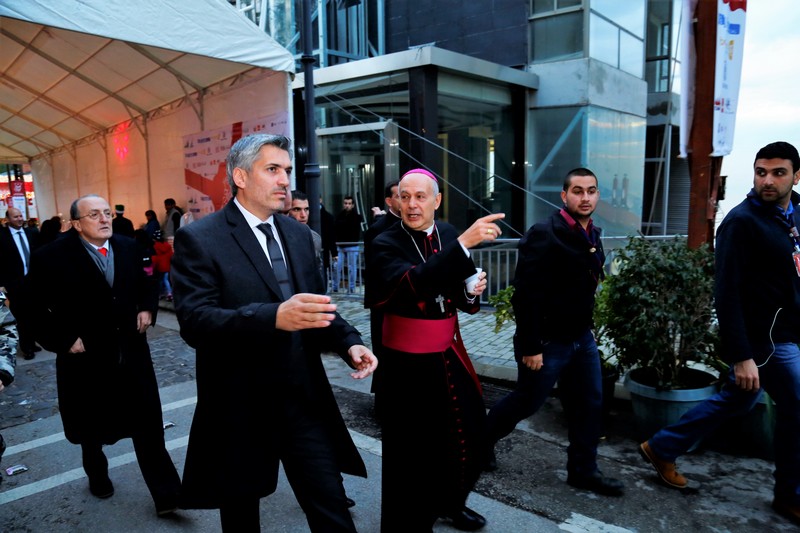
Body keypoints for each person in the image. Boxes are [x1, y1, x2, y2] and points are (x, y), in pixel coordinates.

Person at [170, 133, 377, 532]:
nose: (284, 180)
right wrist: (272, 317)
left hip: (302, 400)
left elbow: (317, 307)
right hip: (240, 405)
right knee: (242, 516)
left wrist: (349, 342)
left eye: (286, 170)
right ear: (241, 177)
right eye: (273, 170)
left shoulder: (299, 235)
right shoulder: (200, 238)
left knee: (332, 509)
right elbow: (195, 321)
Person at [638, 141, 800, 525]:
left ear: (796, 175)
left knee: (738, 399)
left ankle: (662, 447)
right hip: (766, 341)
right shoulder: (741, 222)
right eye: (761, 172)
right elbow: (725, 293)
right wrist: (742, 355)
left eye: (778, 173)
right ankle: (790, 495)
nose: (767, 181)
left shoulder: (797, 213)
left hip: (789, 329)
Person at [25, 194, 182, 516]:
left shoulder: (129, 246)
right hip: (85, 357)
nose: (104, 219)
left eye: (107, 213)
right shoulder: (51, 256)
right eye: (94, 215)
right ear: (76, 224)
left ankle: (168, 496)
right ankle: (96, 473)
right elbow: (31, 307)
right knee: (90, 426)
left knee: (148, 425)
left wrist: (147, 308)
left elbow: (148, 281)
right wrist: (62, 339)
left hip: (131, 351)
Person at [366, 168, 503, 531]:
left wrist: (471, 291)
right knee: (412, 457)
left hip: (448, 352)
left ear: (436, 201)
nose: (411, 205)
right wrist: (463, 246)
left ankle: (450, 502)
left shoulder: (445, 233)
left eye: (420, 197)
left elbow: (457, 288)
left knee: (471, 437)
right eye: (404, 196)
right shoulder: (384, 241)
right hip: (406, 365)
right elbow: (413, 284)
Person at [485, 167, 624, 497]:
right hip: (546, 342)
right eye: (578, 191)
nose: (585, 197)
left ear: (598, 195)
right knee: (527, 402)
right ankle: (479, 441)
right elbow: (526, 293)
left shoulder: (592, 233)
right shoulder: (545, 233)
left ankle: (583, 471)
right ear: (565, 196)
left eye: (591, 191)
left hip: (581, 339)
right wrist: (532, 345)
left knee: (590, 403)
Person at [363, 180, 401, 419]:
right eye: (401, 196)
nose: (407, 201)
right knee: (383, 352)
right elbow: (377, 270)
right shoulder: (377, 230)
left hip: (403, 303)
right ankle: (383, 405)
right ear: (389, 201)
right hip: (383, 302)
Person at [0, 207, 40, 359]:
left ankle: (33, 341)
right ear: (8, 220)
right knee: (22, 317)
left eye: (20, 215)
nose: (19, 219)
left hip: (35, 283)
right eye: (15, 217)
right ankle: (26, 347)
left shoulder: (32, 233)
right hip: (15, 284)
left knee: (35, 314)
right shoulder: (2, 237)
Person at [288, 190, 324, 278]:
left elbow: (317, 269)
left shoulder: (315, 238)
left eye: (306, 209)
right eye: (297, 209)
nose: (303, 215)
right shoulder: (277, 236)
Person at [333, 195, 362, 293]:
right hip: (341, 245)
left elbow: (350, 227)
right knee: (337, 267)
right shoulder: (340, 215)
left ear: (353, 205)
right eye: (345, 203)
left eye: (349, 203)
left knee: (352, 268)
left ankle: (351, 288)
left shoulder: (356, 216)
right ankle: (335, 287)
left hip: (352, 245)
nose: (347, 205)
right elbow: (337, 227)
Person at [319, 197, 338, 290]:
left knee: (323, 273)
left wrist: (334, 253)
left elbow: (331, 236)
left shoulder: (328, 217)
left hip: (324, 250)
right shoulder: (308, 213)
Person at [151, 230, 173, 301]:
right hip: (167, 266)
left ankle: (161, 293)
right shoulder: (168, 246)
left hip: (159, 267)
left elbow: (155, 258)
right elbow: (171, 256)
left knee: (160, 281)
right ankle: (169, 293)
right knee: (166, 280)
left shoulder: (155, 246)